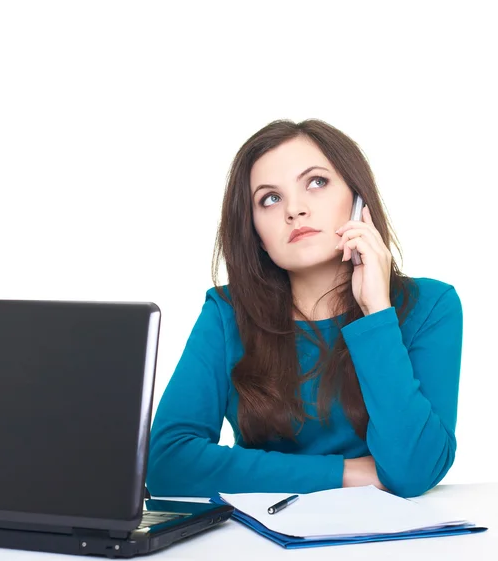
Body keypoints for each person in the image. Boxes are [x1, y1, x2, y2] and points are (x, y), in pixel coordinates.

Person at [146, 119, 463, 499]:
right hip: (256, 545)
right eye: (270, 199)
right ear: (257, 235)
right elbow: (168, 465)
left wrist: (377, 313)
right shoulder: (226, 312)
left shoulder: (429, 306)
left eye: (316, 182)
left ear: (358, 201)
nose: (294, 210)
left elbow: (415, 471)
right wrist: (345, 474)